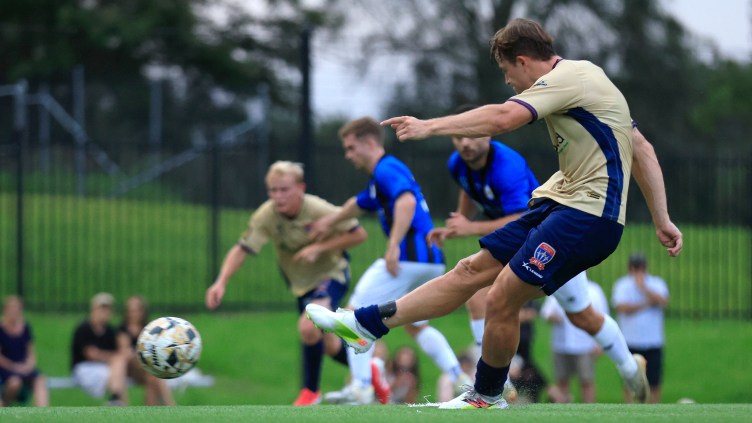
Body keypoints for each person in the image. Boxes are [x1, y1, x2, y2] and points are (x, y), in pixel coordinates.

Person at [307, 18, 682, 410]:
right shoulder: (586, 80)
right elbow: (641, 147)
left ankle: (487, 395)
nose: (507, 81)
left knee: (505, 296)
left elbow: (503, 118)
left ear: (522, 61)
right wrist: (662, 219)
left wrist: (428, 126)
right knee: (470, 272)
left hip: (587, 216)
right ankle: (365, 325)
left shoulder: (568, 78)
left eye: (506, 70)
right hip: (557, 206)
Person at [308, 117, 468, 405]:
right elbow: (357, 204)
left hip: (407, 258)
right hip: (431, 260)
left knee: (354, 313)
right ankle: (459, 377)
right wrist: (329, 222)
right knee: (416, 325)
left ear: (370, 143)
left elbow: (406, 201)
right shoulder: (380, 178)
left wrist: (393, 246)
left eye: (351, 148)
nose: (348, 155)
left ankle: (360, 387)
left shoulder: (386, 169)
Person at [204, 160, 376, 406]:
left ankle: (310, 393)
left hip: (331, 275)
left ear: (300, 188)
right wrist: (221, 282)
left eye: (284, 189)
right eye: (273, 190)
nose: (278, 196)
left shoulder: (318, 208)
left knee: (308, 326)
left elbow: (359, 234)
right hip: (301, 284)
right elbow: (242, 249)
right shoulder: (267, 215)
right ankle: (370, 371)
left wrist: (319, 248)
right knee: (327, 344)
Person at [541, 277, 609, 403]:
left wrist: (600, 344)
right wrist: (554, 317)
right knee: (562, 380)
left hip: (585, 345)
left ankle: (590, 410)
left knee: (586, 381)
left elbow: (603, 316)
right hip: (561, 345)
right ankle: (562, 410)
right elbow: (546, 313)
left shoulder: (594, 290)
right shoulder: (558, 286)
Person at [612, 252, 669, 403]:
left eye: (640, 267)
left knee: (654, 382)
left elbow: (663, 301)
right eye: (635, 267)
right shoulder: (622, 285)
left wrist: (643, 287)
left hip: (653, 342)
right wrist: (646, 303)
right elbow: (622, 307)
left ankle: (654, 410)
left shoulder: (656, 283)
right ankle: (630, 410)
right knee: (629, 381)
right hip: (630, 341)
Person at [71, 292, 129, 405]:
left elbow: (121, 351)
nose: (104, 312)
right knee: (117, 370)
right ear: (93, 309)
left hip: (104, 366)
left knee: (118, 367)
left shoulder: (110, 331)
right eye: (102, 309)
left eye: (107, 309)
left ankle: (117, 400)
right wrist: (112, 357)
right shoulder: (84, 329)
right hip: (85, 368)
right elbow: (91, 354)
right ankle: (117, 400)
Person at [117, 295, 175, 405]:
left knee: (152, 376)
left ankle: (151, 408)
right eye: (131, 311)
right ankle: (169, 404)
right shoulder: (123, 329)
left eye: (136, 310)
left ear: (143, 311)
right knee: (152, 369)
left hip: (145, 366)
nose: (134, 314)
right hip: (130, 366)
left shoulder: (149, 329)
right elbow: (125, 352)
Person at [0, 296, 48, 407]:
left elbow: (31, 352)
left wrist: (29, 365)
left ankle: (43, 412)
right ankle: (5, 405)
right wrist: (14, 367)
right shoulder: (1, 329)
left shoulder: (25, 328)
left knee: (40, 379)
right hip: (6, 368)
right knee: (14, 382)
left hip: (23, 366)